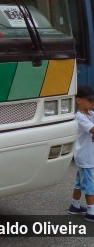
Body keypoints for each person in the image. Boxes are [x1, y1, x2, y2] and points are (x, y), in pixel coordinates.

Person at [68, 85, 94, 220]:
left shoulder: (90, 114)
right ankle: (91, 212)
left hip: (87, 156)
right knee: (90, 185)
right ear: (79, 100)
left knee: (80, 182)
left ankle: (75, 205)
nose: (92, 103)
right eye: (89, 100)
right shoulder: (79, 117)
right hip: (85, 156)